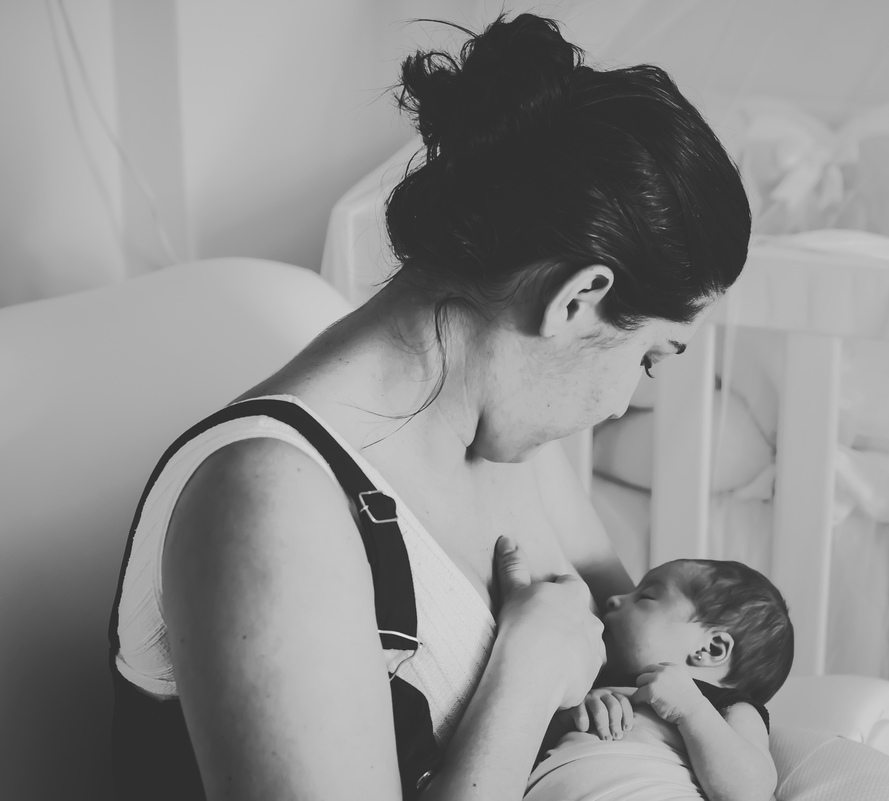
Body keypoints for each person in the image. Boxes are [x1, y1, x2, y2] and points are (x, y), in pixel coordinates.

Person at [106, 11, 751, 801]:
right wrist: (525, 676)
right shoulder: (269, 504)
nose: (623, 403)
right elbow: (568, 660)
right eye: (649, 357)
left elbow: (654, 668)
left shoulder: (513, 448)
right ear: (579, 298)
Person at [527, 559, 793, 801]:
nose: (613, 599)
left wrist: (691, 709)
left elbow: (751, 791)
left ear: (710, 649)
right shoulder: (592, 680)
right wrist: (574, 715)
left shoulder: (727, 707)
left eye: (646, 596)